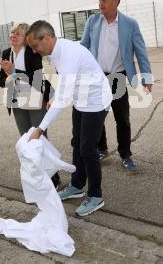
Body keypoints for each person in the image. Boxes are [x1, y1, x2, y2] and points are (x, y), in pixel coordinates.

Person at [27, 20, 112, 217]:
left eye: (34, 45)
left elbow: (63, 98)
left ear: (46, 38)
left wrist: (40, 130)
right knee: (77, 143)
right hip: (80, 99)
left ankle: (96, 195)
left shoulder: (69, 55)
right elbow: (66, 83)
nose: (33, 50)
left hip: (96, 101)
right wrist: (57, 96)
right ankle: (77, 185)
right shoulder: (56, 52)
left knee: (88, 149)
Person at [81, 0, 153, 172]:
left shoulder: (130, 24)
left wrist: (146, 77)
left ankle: (125, 153)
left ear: (116, 2)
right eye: (100, 0)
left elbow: (141, 51)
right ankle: (101, 149)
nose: (100, 4)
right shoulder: (93, 21)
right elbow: (83, 47)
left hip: (118, 77)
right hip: (97, 77)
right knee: (97, 116)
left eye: (104, 0)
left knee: (122, 118)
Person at [0, 23, 59, 187]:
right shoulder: (6, 53)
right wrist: (8, 75)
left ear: (25, 38)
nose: (13, 36)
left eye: (17, 34)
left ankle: (53, 176)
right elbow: (1, 82)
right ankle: (36, 174)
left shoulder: (32, 53)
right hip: (17, 101)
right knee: (25, 139)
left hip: (35, 99)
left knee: (39, 138)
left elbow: (36, 79)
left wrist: (15, 72)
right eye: (11, 33)